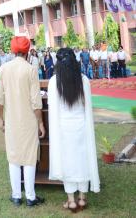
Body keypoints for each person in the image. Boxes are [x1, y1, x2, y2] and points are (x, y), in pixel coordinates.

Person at [48, 48, 100, 212]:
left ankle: (71, 201)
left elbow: (52, 108)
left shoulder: (54, 81)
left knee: (68, 161)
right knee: (82, 160)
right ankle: (82, 198)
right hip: (81, 125)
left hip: (63, 127)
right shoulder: (83, 80)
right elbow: (87, 106)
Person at [0, 36, 45, 208]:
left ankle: (16, 195)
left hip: (11, 119)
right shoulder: (31, 69)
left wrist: (0, 119)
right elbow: (36, 101)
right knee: (30, 157)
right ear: (27, 51)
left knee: (13, 156)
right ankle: (30, 196)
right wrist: (40, 123)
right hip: (29, 120)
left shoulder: (3, 69)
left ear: (12, 50)